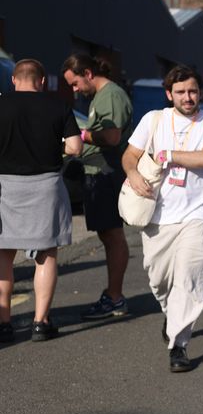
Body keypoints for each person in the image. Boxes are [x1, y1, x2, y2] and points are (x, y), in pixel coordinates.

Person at [121, 66, 203, 372]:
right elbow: (130, 155)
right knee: (159, 280)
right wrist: (132, 173)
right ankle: (172, 314)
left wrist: (166, 154)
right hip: (158, 215)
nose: (187, 97)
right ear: (169, 94)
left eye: (192, 91)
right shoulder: (154, 119)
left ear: (200, 92)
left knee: (189, 278)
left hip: (198, 214)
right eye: (180, 92)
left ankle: (179, 344)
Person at [0, 59, 82, 343]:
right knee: (46, 255)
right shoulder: (58, 105)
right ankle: (40, 322)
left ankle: (4, 323)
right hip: (45, 186)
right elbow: (75, 147)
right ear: (43, 81)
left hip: (5, 187)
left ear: (14, 80)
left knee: (4, 255)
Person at [62, 54, 133, 321]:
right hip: (99, 172)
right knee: (108, 235)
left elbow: (112, 137)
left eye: (75, 83)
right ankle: (113, 296)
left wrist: (82, 134)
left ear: (88, 73)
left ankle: (115, 297)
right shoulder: (100, 97)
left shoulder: (110, 95)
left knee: (113, 235)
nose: (75, 90)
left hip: (107, 173)